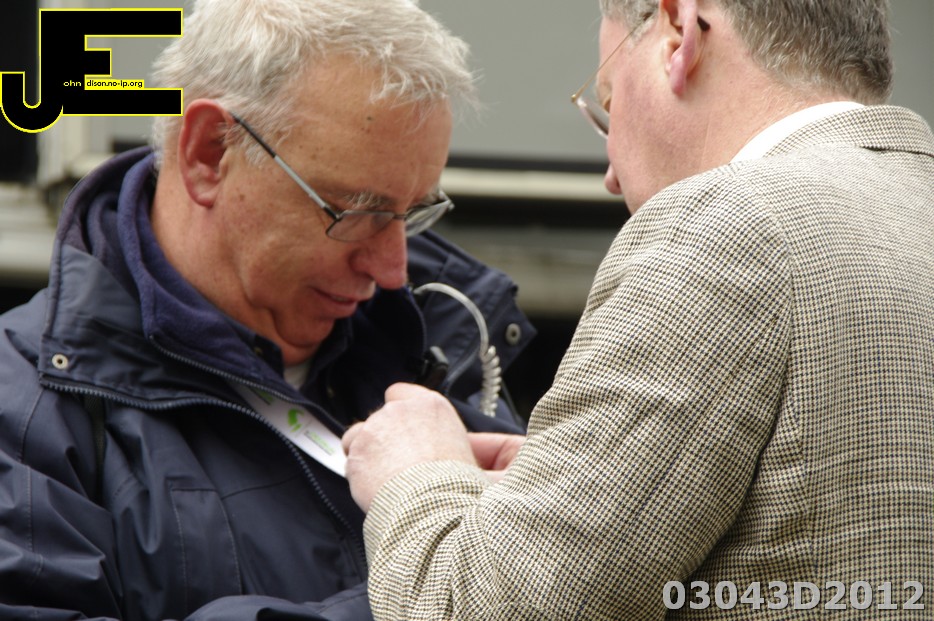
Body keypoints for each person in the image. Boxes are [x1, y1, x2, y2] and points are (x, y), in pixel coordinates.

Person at [342, 0, 934, 618]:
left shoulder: (724, 224)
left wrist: (420, 475)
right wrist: (559, 487)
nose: (611, 178)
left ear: (680, 32)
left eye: (608, 106)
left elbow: (481, 607)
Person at [0, 0, 536, 619]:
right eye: (355, 211)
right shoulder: (24, 412)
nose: (393, 269)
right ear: (209, 153)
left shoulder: (446, 343)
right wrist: (445, 592)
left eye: (414, 212)